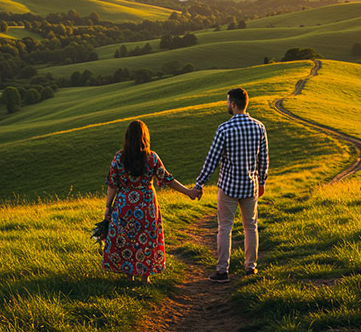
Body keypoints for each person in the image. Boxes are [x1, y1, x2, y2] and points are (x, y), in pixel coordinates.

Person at [103, 119, 200, 283]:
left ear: (127, 137)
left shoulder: (119, 158)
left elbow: (112, 185)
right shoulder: (152, 158)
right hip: (146, 204)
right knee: (146, 239)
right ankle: (145, 277)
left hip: (124, 203)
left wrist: (108, 206)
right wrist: (188, 192)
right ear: (145, 138)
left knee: (126, 238)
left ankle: (129, 275)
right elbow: (168, 180)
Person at [194, 87, 269, 283]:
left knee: (225, 227)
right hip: (250, 186)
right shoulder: (259, 127)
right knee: (250, 226)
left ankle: (222, 271)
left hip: (228, 187)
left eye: (228, 102)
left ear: (233, 104)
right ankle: (250, 267)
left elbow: (212, 160)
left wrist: (199, 184)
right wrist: (261, 182)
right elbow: (264, 159)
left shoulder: (224, 129)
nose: (227, 105)